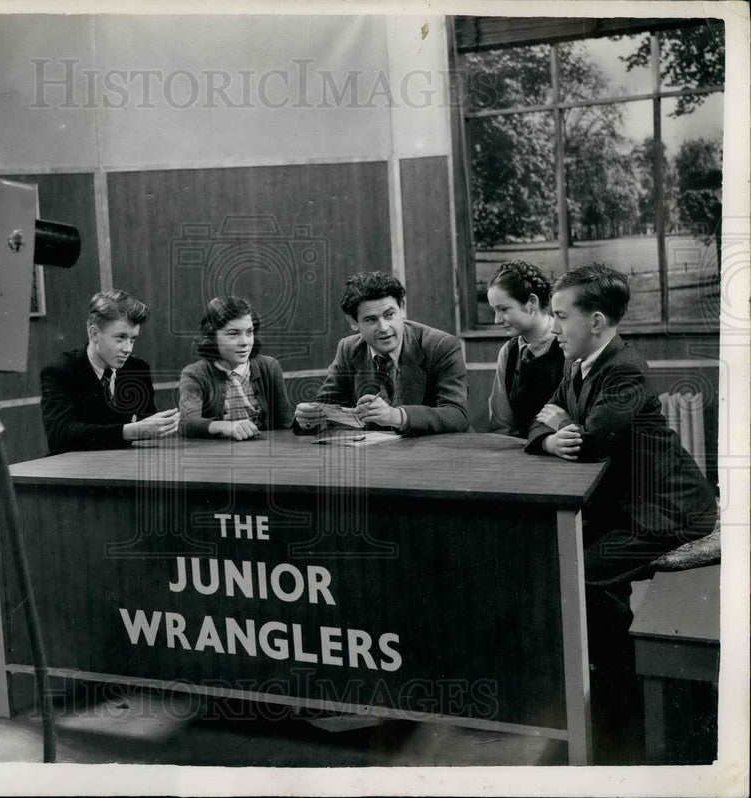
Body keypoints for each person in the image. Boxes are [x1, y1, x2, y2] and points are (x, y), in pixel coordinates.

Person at [525, 263, 717, 763]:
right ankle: (604, 675)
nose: (553, 325)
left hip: (668, 507)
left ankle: (623, 691)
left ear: (596, 321)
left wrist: (562, 434)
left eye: (561, 315)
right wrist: (548, 441)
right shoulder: (579, 363)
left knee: (585, 575)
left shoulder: (624, 367)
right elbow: (542, 420)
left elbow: (589, 442)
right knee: (561, 559)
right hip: (628, 502)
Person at [294, 271, 468, 435]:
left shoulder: (441, 345)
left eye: (390, 315)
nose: (384, 328)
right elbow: (326, 406)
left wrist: (395, 416)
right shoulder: (348, 348)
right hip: (378, 457)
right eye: (371, 319)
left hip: (438, 454)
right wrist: (308, 419)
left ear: (402, 308)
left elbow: (458, 415)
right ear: (353, 322)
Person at [40, 289, 179, 453]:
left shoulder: (137, 369)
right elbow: (60, 435)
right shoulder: (60, 371)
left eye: (133, 339)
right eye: (120, 337)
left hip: (121, 468)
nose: (128, 348)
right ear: (94, 333)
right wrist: (130, 431)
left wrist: (164, 424)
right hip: (74, 472)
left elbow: (145, 423)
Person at [178, 296, 293, 440]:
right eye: (233, 334)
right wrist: (224, 426)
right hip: (218, 457)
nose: (245, 342)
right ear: (212, 336)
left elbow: (285, 426)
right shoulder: (195, 373)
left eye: (249, 332)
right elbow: (186, 424)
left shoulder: (269, 367)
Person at [486, 260, 564, 438]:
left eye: (503, 309)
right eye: (494, 311)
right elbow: (501, 425)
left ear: (532, 302)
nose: (497, 320)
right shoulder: (508, 352)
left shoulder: (568, 346)